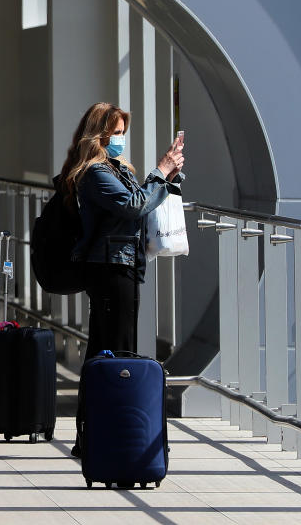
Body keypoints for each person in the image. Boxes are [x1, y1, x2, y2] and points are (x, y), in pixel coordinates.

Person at [60, 102, 183, 457]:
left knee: (112, 349)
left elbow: (141, 200)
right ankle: (98, 433)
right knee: (111, 350)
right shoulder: (96, 173)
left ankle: (102, 430)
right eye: (115, 133)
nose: (120, 140)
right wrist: (160, 171)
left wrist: (169, 174)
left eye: (123, 133)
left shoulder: (117, 169)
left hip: (123, 263)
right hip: (111, 267)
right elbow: (133, 206)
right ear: (98, 135)